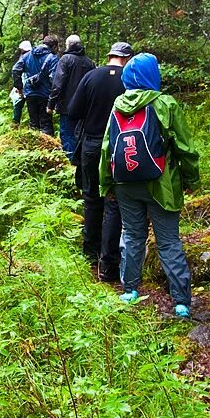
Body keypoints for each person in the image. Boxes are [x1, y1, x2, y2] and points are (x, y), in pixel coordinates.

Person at [101, 53, 200, 319]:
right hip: (161, 183)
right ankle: (181, 302)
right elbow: (184, 148)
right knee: (168, 242)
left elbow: (107, 148)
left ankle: (130, 290)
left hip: (125, 183)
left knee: (132, 236)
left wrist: (106, 183)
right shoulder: (165, 103)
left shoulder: (118, 105)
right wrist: (191, 179)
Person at [66, 41, 131, 280]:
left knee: (92, 198)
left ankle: (90, 252)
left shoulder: (91, 76)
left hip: (92, 144)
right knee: (114, 202)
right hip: (120, 145)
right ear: (127, 58)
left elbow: (73, 111)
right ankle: (109, 262)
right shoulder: (131, 80)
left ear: (110, 56)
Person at [49, 34, 96, 161]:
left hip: (67, 106)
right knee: (81, 134)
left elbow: (58, 83)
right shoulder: (89, 62)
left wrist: (50, 104)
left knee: (67, 134)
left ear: (68, 45)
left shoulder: (65, 59)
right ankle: (80, 160)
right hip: (84, 107)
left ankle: (71, 161)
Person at [12, 35, 59, 134]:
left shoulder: (28, 55)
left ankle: (34, 146)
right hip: (45, 95)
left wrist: (20, 88)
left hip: (30, 93)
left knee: (33, 123)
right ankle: (46, 148)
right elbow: (54, 79)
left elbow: (16, 70)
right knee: (46, 124)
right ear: (54, 46)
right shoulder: (53, 58)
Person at [10, 40, 32, 125]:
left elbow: (16, 71)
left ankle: (16, 124)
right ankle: (16, 124)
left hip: (26, 85)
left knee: (19, 106)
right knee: (19, 105)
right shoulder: (30, 57)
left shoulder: (24, 58)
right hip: (27, 85)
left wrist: (19, 87)